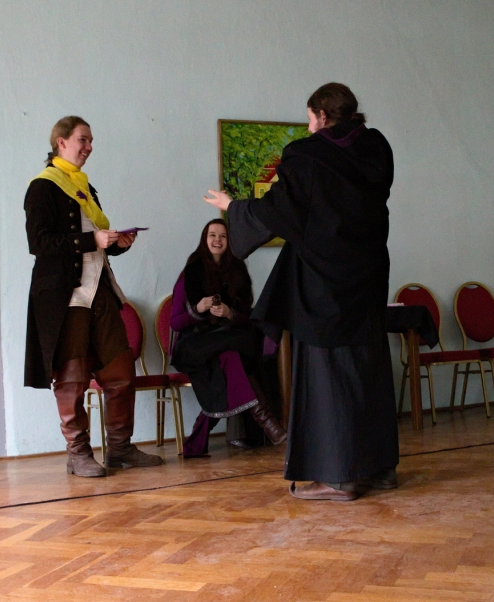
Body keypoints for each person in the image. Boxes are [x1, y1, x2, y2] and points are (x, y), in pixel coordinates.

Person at [204, 83, 397, 501]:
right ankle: (380, 468)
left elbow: (278, 210)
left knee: (331, 378)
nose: (309, 127)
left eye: (310, 118)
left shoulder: (307, 156)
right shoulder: (376, 148)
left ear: (322, 115)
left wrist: (233, 207)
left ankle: (339, 477)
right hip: (367, 279)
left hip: (325, 287)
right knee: (369, 371)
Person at [24, 116, 164, 476]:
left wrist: (117, 244)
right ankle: (78, 453)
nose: (89, 147)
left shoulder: (84, 187)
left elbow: (96, 244)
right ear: (61, 142)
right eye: (82, 140)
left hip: (100, 289)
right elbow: (39, 243)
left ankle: (120, 448)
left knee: (120, 371)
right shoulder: (42, 187)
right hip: (65, 297)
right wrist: (92, 240)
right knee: (72, 377)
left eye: (90, 141)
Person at [169, 220, 286, 457]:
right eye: (212, 235)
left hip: (228, 339)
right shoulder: (190, 272)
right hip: (195, 344)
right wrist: (198, 309)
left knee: (231, 358)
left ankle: (197, 441)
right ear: (204, 239)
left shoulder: (238, 271)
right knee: (235, 355)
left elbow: (248, 317)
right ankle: (269, 423)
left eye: (223, 236)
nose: (217, 240)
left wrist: (229, 313)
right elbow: (175, 323)